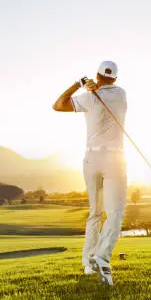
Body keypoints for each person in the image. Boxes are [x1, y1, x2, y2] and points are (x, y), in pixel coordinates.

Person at [52, 60, 127, 286]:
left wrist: (79, 84)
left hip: (91, 159)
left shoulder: (89, 96)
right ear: (115, 78)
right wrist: (91, 88)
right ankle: (101, 258)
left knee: (95, 213)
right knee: (115, 212)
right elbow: (103, 92)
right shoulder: (121, 94)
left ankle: (88, 264)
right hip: (115, 159)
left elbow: (58, 105)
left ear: (97, 75)